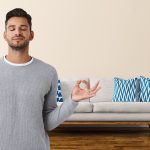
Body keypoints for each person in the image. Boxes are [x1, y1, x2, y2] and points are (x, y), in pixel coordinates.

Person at [0, 8, 101, 150]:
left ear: (31, 35)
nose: (17, 32)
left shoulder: (47, 72)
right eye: (12, 28)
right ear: (5, 35)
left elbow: (48, 123)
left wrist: (72, 101)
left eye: (23, 28)